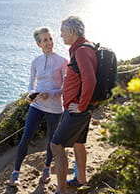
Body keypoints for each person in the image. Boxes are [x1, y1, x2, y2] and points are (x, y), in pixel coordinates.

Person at [9, 27, 68, 186]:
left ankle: (47, 169)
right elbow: (30, 84)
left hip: (55, 108)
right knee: (26, 137)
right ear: (38, 44)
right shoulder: (36, 61)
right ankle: (16, 173)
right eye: (45, 40)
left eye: (50, 39)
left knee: (51, 140)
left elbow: (65, 87)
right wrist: (31, 94)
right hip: (37, 105)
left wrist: (51, 93)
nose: (49, 43)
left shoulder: (63, 61)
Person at [50, 16, 97, 194]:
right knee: (78, 143)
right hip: (81, 108)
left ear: (71, 32)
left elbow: (90, 80)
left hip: (77, 110)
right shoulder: (83, 47)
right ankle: (80, 179)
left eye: (62, 33)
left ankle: (61, 190)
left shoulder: (81, 51)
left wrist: (82, 106)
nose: (61, 37)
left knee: (56, 145)